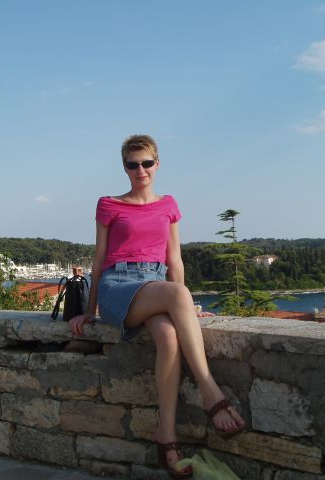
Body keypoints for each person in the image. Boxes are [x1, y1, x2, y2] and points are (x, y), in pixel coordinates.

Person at [69, 135, 246, 478]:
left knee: (168, 337)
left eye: (147, 163)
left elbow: (174, 259)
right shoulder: (108, 204)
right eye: (133, 164)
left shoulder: (168, 205)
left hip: (155, 283)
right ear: (124, 167)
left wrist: (184, 307)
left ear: (157, 164)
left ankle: (166, 434)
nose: (141, 170)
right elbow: (99, 258)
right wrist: (90, 309)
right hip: (117, 285)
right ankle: (210, 391)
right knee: (178, 295)